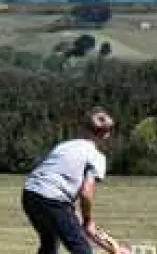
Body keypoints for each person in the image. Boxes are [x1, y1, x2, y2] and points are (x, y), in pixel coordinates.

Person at [22, 108, 124, 254]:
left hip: (30, 194)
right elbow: (86, 194)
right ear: (106, 135)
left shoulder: (64, 146)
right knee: (82, 250)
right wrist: (88, 220)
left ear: (83, 128)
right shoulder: (96, 156)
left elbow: (54, 183)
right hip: (53, 199)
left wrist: (112, 247)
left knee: (49, 243)